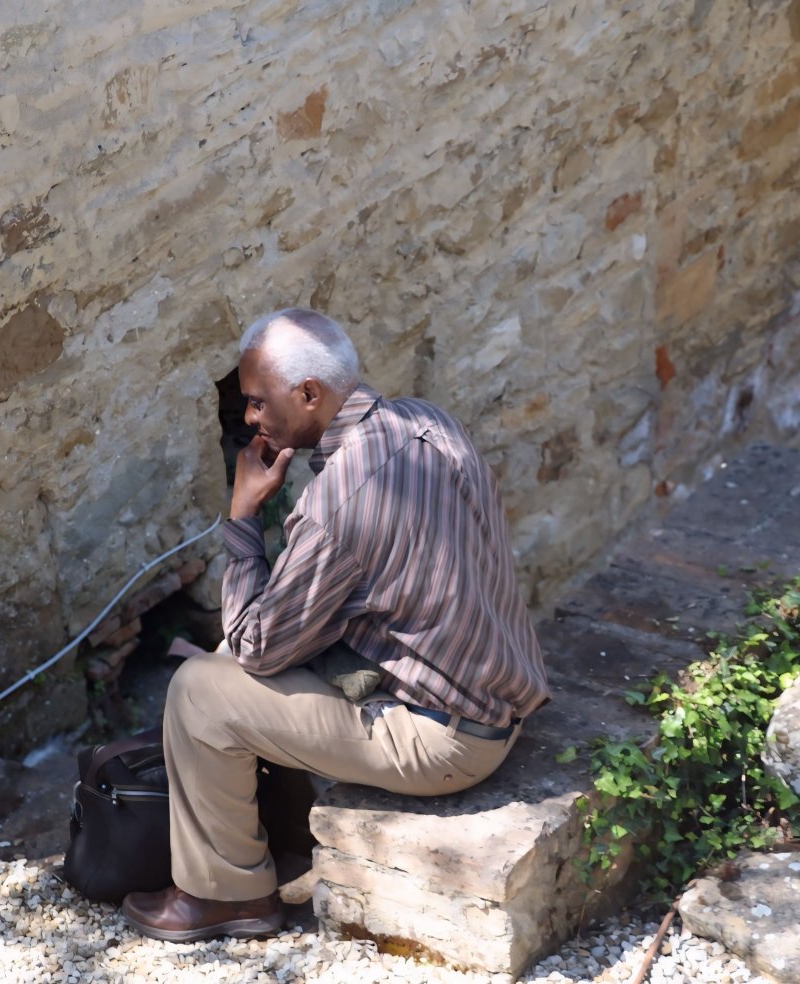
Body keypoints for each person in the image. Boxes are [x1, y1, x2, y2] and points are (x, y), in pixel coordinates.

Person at [121, 308, 550, 942]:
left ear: (309, 395)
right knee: (236, 656)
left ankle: (227, 895)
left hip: (445, 742)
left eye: (259, 403)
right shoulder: (425, 420)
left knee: (199, 690)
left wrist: (243, 516)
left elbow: (257, 646)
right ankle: (283, 839)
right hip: (495, 697)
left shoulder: (341, 500)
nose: (250, 420)